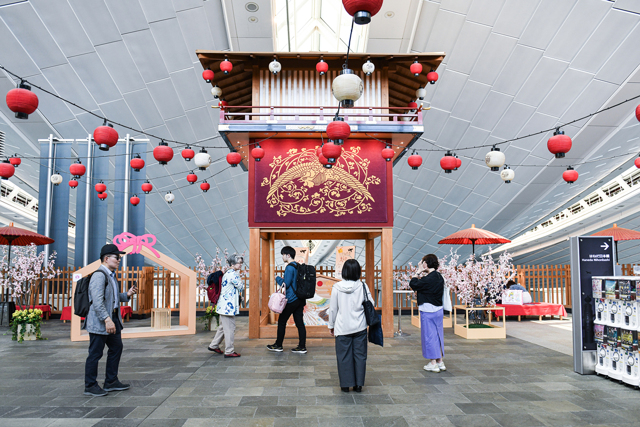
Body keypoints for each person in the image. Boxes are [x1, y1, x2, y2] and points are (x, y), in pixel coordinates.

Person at [84, 244, 138, 396]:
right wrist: (107, 319)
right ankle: (90, 385)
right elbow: (97, 302)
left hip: (112, 318)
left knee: (116, 348)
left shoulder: (111, 275)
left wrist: (126, 295)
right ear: (106, 258)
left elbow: (112, 298)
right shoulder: (99, 275)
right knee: (95, 353)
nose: (119, 260)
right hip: (101, 321)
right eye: (117, 257)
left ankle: (111, 381)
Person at [327, 259, 373, 393]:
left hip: (342, 327)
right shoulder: (362, 286)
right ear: (358, 271)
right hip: (360, 326)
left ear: (344, 271)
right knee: (360, 355)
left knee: (343, 356)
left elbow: (333, 309)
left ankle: (346, 385)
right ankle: (358, 385)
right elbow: (371, 303)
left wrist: (331, 325)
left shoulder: (337, 287)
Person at [267, 246, 307, 353]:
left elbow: (286, 284)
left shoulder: (289, 267)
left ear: (288, 255)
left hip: (291, 299)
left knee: (281, 321)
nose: (282, 257)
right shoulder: (298, 266)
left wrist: (277, 278)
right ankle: (302, 347)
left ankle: (278, 345)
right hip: (300, 299)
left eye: (283, 255)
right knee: (300, 323)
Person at [410, 254, 445, 373]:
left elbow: (413, 283)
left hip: (428, 310)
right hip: (438, 310)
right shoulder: (439, 276)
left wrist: (418, 271)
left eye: (422, 262)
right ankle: (440, 361)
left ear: (426, 263)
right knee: (438, 335)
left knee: (429, 336)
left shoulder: (428, 278)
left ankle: (433, 363)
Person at [208, 254, 245, 358]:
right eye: (239, 262)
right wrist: (240, 279)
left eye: (241, 263)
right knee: (230, 329)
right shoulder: (232, 274)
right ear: (232, 263)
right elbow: (241, 286)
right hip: (228, 307)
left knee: (223, 327)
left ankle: (214, 345)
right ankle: (229, 351)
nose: (240, 264)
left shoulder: (227, 273)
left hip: (223, 306)